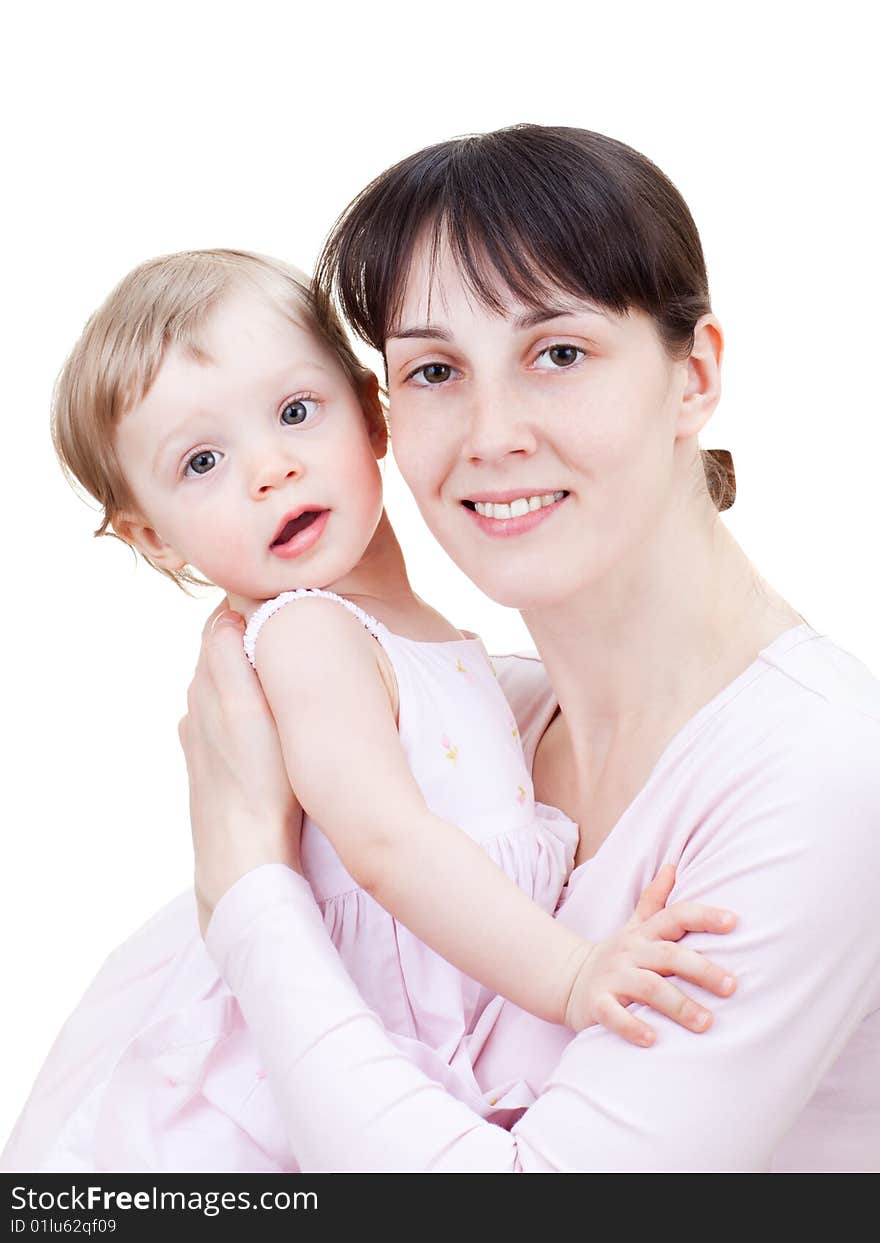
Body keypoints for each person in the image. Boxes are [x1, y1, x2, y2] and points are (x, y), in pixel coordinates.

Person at [181, 126, 880, 1172]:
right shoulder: (475, 723)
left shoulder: (813, 769)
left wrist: (244, 880)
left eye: (558, 352)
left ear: (691, 376)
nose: (489, 432)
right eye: (431, 370)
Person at [1, 247, 734, 1174]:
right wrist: (577, 973)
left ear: (370, 412)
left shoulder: (423, 633)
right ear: (154, 535)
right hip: (269, 1101)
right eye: (201, 461)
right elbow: (387, 846)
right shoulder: (311, 632)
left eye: (296, 412)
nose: (268, 469)